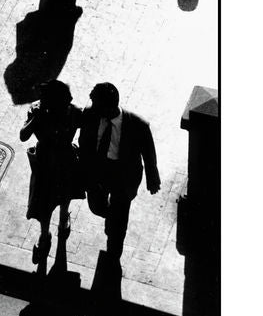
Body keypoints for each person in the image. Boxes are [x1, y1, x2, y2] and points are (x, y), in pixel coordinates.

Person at [77, 83, 161, 259]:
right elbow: (84, 139)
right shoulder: (90, 113)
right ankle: (111, 217)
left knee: (119, 220)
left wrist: (152, 178)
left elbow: (148, 152)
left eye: (96, 103)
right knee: (96, 206)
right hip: (98, 170)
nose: (92, 105)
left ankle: (114, 253)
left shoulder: (138, 125)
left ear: (108, 107)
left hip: (123, 175)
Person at [19, 80, 84, 265]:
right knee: (45, 202)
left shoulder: (73, 111)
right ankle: (46, 234)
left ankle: (61, 221)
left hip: (62, 159)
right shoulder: (39, 110)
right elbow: (23, 135)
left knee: (63, 195)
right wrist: (36, 118)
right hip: (48, 160)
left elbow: (86, 131)